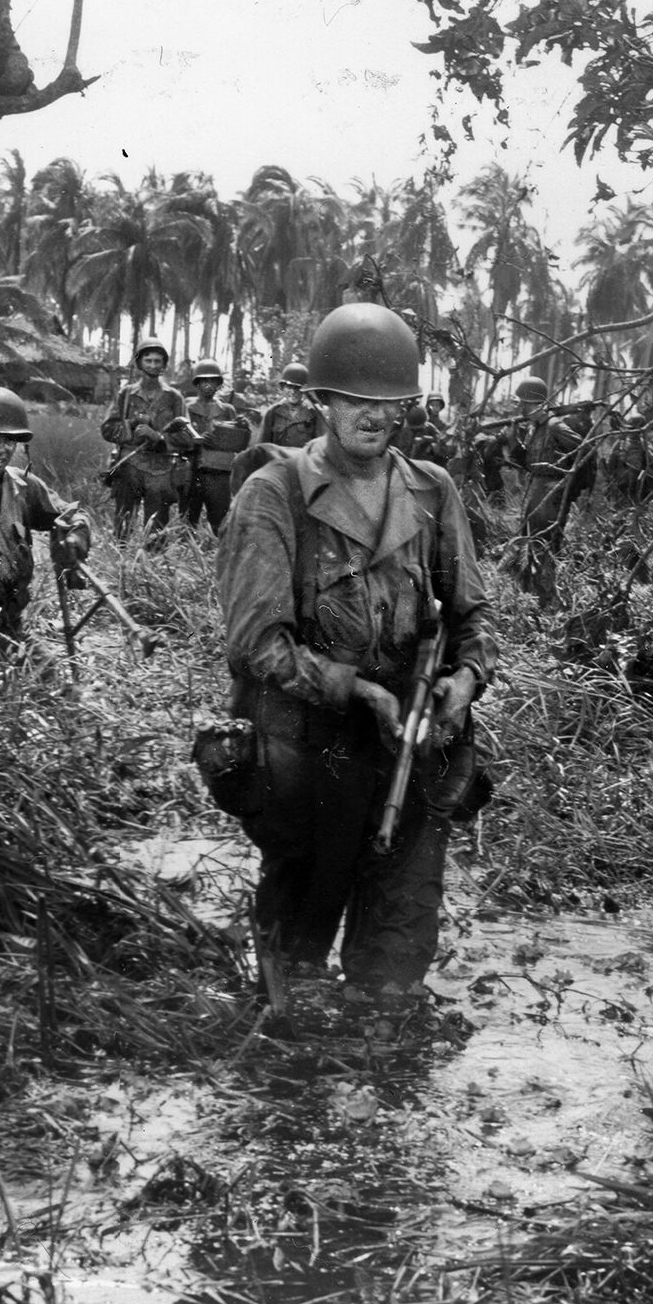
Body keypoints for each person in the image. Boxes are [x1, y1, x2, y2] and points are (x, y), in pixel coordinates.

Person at [211, 301, 496, 1026]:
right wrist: (356, 689)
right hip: (308, 750)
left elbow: (472, 614)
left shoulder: (431, 491)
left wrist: (464, 680)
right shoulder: (273, 495)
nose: (376, 418)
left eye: (391, 404)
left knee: (396, 967)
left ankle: (385, 1067)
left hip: (408, 744)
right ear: (322, 403)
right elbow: (256, 643)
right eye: (357, 402)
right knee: (294, 973)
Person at [0, 385, 92, 642]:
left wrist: (76, 539)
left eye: (9, 440)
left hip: (10, 626)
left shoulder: (25, 487)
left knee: (47, 676)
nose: (2, 449)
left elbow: (72, 514)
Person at [505, 375, 590, 608]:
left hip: (550, 493)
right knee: (530, 540)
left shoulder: (554, 426)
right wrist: (514, 442)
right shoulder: (536, 428)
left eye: (526, 403)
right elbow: (529, 462)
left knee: (545, 545)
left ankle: (549, 599)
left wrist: (566, 485)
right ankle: (532, 596)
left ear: (538, 404)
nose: (522, 408)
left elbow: (584, 450)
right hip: (537, 489)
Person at [101, 341, 192, 541]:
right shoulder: (126, 394)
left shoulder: (174, 397)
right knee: (122, 526)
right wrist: (131, 424)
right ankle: (120, 565)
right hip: (128, 466)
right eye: (148, 360)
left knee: (157, 530)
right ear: (139, 364)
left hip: (160, 471)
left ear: (164, 365)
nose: (152, 365)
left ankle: (154, 565)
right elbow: (107, 429)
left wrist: (158, 437)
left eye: (157, 361)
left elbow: (187, 437)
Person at [183, 361, 255, 533]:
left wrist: (243, 427)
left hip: (220, 472)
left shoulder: (227, 409)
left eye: (213, 381)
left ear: (218, 384)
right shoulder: (187, 407)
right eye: (203, 381)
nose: (208, 385)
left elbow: (239, 442)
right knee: (187, 522)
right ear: (197, 383)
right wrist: (194, 440)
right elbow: (178, 436)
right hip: (192, 469)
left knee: (221, 521)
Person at [255, 361, 325, 450]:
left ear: (304, 390)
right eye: (289, 387)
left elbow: (320, 448)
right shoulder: (272, 412)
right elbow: (261, 447)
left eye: (297, 388)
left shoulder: (313, 413)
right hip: (278, 462)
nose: (292, 392)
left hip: (302, 462)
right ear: (283, 388)